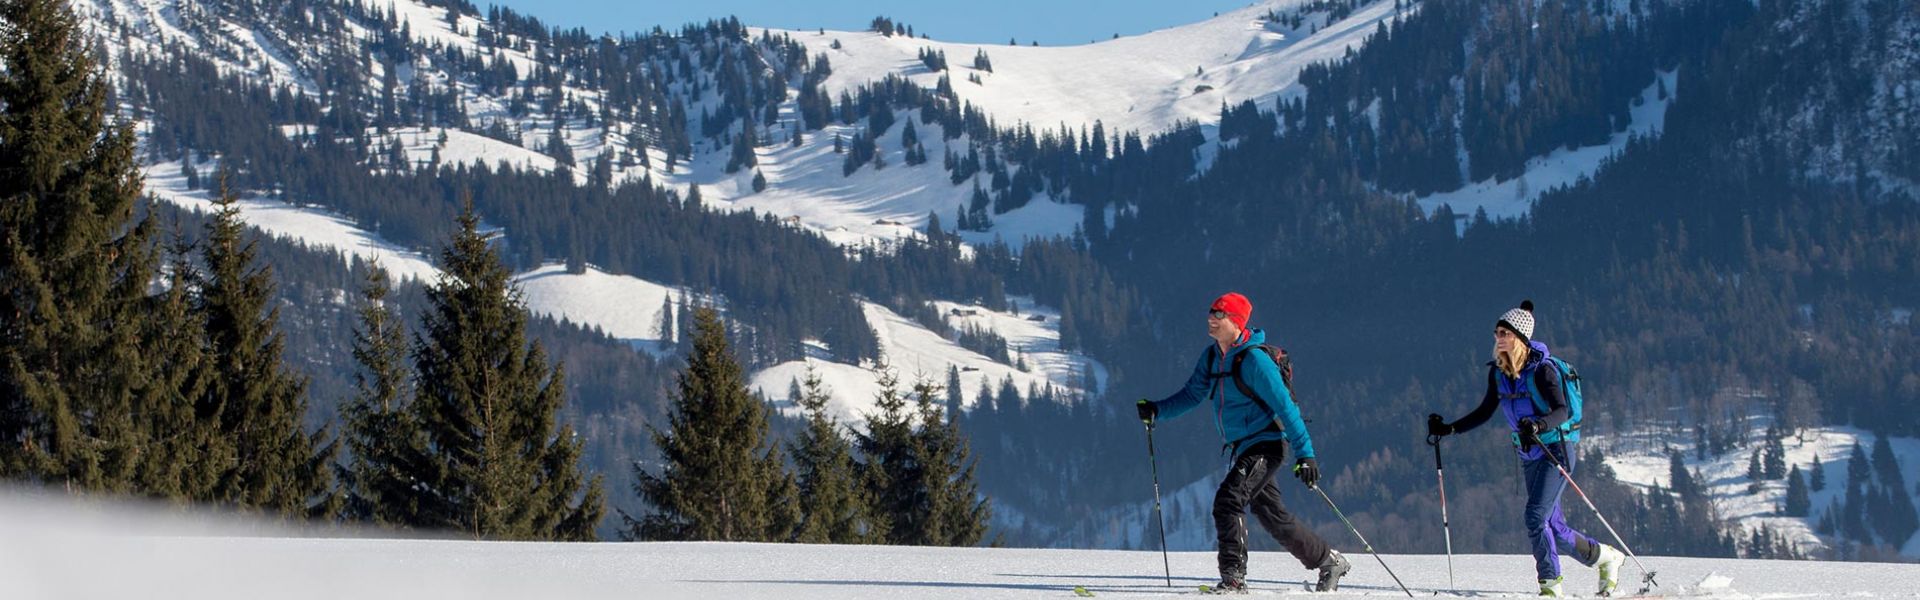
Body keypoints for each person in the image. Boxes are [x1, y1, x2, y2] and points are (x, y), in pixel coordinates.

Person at [1136, 292, 1348, 593]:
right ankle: (1328, 561)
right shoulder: (1212, 357)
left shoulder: (1255, 361)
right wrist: (1157, 410)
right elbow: (1192, 394)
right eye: (1210, 312)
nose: (1211, 318)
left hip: (1267, 445)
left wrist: (1306, 455)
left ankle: (1234, 580)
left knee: (1228, 500)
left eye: (1219, 314)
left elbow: (1287, 409)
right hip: (1243, 448)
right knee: (1272, 516)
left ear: (1236, 322)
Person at [1425, 300, 1625, 597]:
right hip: (1530, 454)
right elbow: (1485, 411)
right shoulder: (1499, 373)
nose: (1498, 338)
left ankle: (1550, 586)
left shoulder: (1543, 371)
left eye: (1504, 333)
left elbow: (1562, 411)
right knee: (1553, 527)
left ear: (1519, 337)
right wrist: (1449, 428)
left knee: (1535, 517)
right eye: (1496, 333)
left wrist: (1539, 425)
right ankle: (1606, 558)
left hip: (1556, 450)